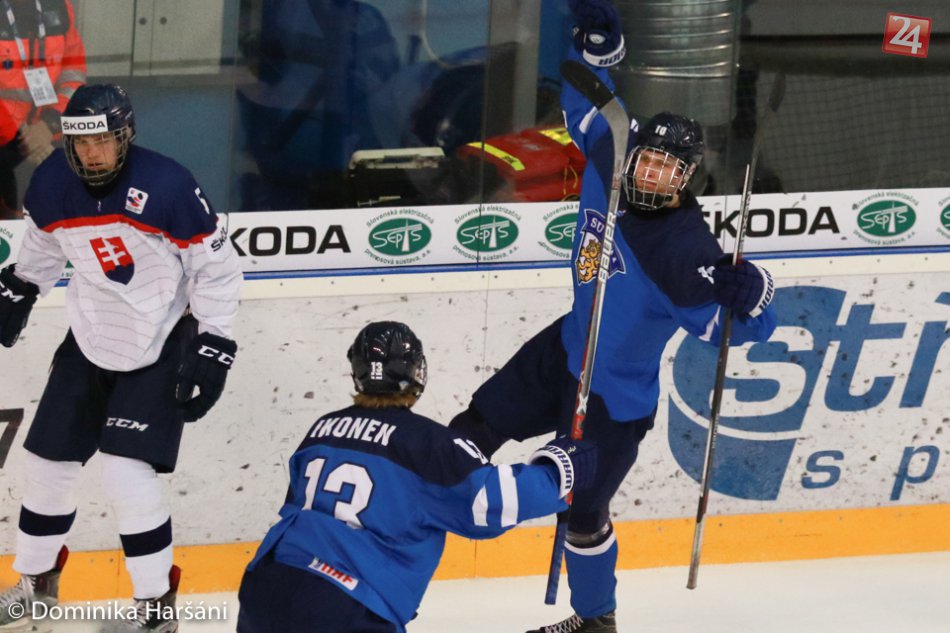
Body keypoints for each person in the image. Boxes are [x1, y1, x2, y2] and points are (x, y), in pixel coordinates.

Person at [447, 1, 778, 632]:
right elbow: (585, 100)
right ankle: (412, 511)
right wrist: (596, 49)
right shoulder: (610, 154)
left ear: (686, 177)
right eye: (647, 159)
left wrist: (755, 294)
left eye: (666, 168)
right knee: (475, 426)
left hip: (614, 399)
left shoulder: (686, 253)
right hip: (565, 347)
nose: (650, 173)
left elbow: (732, 329)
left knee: (583, 514)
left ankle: (596, 621)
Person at [0, 84, 242, 632]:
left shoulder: (168, 185)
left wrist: (216, 340)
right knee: (47, 466)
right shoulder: (52, 183)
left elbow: (216, 269)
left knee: (124, 472)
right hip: (91, 336)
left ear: (125, 136)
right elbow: (43, 249)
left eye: (103, 141)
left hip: (163, 338)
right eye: (81, 143)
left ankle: (154, 609)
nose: (92, 154)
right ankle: (35, 586)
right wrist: (22, 285)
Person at [237, 321, 596, 633]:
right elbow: (492, 503)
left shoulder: (321, 429)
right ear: (416, 372)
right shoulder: (428, 444)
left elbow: (295, 505)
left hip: (266, 586)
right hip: (348, 604)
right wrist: (559, 471)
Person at [0, 0, 87, 218]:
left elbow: (73, 74)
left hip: (46, 136)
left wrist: (50, 123)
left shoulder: (58, 6)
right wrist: (22, 137)